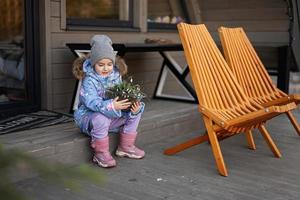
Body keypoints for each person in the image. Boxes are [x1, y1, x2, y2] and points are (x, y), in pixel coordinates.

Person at [73, 35, 145, 168]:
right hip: (89, 119)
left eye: (109, 64)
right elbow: (91, 102)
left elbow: (120, 94)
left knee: (136, 110)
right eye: (101, 65)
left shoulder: (115, 75)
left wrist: (130, 105)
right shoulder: (89, 80)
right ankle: (100, 153)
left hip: (112, 115)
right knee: (101, 118)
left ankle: (126, 146)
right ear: (94, 63)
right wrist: (111, 105)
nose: (106, 68)